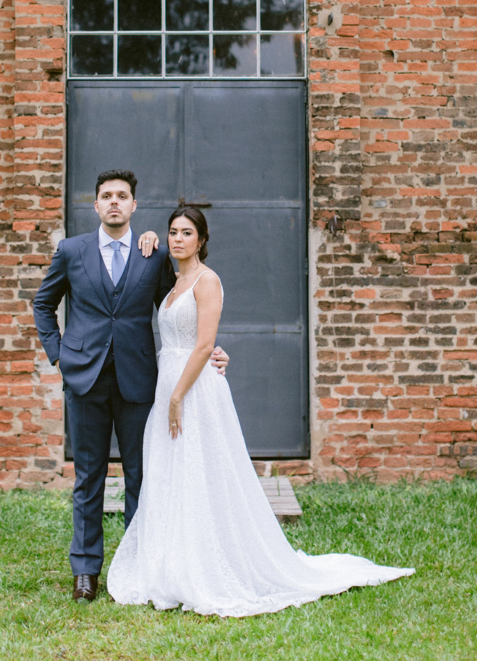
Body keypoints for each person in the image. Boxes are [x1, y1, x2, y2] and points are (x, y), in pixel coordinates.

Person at [107, 205, 415, 618]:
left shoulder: (207, 280)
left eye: (187, 233)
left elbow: (203, 344)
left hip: (193, 389)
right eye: (173, 232)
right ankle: (169, 562)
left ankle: (208, 565)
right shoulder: (175, 281)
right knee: (170, 470)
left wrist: (179, 395)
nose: (178, 239)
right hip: (169, 381)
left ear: (201, 239)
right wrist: (148, 236)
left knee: (201, 470)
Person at [32, 170, 229, 603]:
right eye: (107, 196)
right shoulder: (71, 251)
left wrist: (213, 349)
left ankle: (140, 565)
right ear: (96, 205)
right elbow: (43, 304)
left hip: (140, 383)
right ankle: (85, 571)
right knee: (89, 478)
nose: (115, 202)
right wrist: (59, 354)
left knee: (144, 475)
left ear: (134, 206)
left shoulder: (153, 256)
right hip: (85, 379)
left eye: (123, 196)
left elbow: (181, 310)